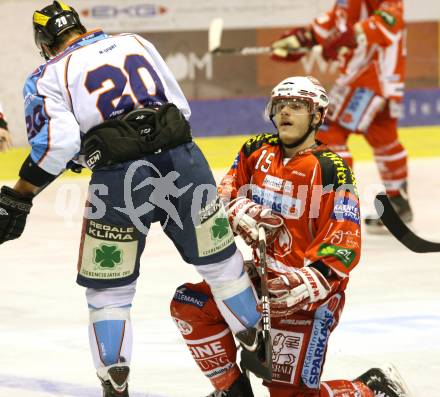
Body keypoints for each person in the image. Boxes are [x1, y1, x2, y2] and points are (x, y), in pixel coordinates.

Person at [0, 2, 264, 396]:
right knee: (221, 262)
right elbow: (181, 107)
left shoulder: (47, 74)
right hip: (183, 162)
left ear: (44, 41)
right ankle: (258, 344)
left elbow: (59, 145)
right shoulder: (134, 41)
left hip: (119, 179)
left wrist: (20, 196)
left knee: (110, 291)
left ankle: (115, 378)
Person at [171, 76, 412, 396]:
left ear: (317, 117)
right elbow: (222, 197)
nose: (285, 112)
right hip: (262, 282)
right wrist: (238, 210)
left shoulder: (330, 168)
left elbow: (346, 238)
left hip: (310, 299)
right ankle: (231, 391)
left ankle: (373, 389)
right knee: (190, 305)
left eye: (297, 106)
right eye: (281, 105)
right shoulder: (255, 150)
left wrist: (309, 280)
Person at [270, 0, 411, 233]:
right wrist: (300, 40)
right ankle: (398, 201)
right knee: (383, 137)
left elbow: (390, 18)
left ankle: (339, 208)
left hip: (370, 75)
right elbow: (336, 20)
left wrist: (352, 35)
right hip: (376, 78)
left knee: (328, 130)